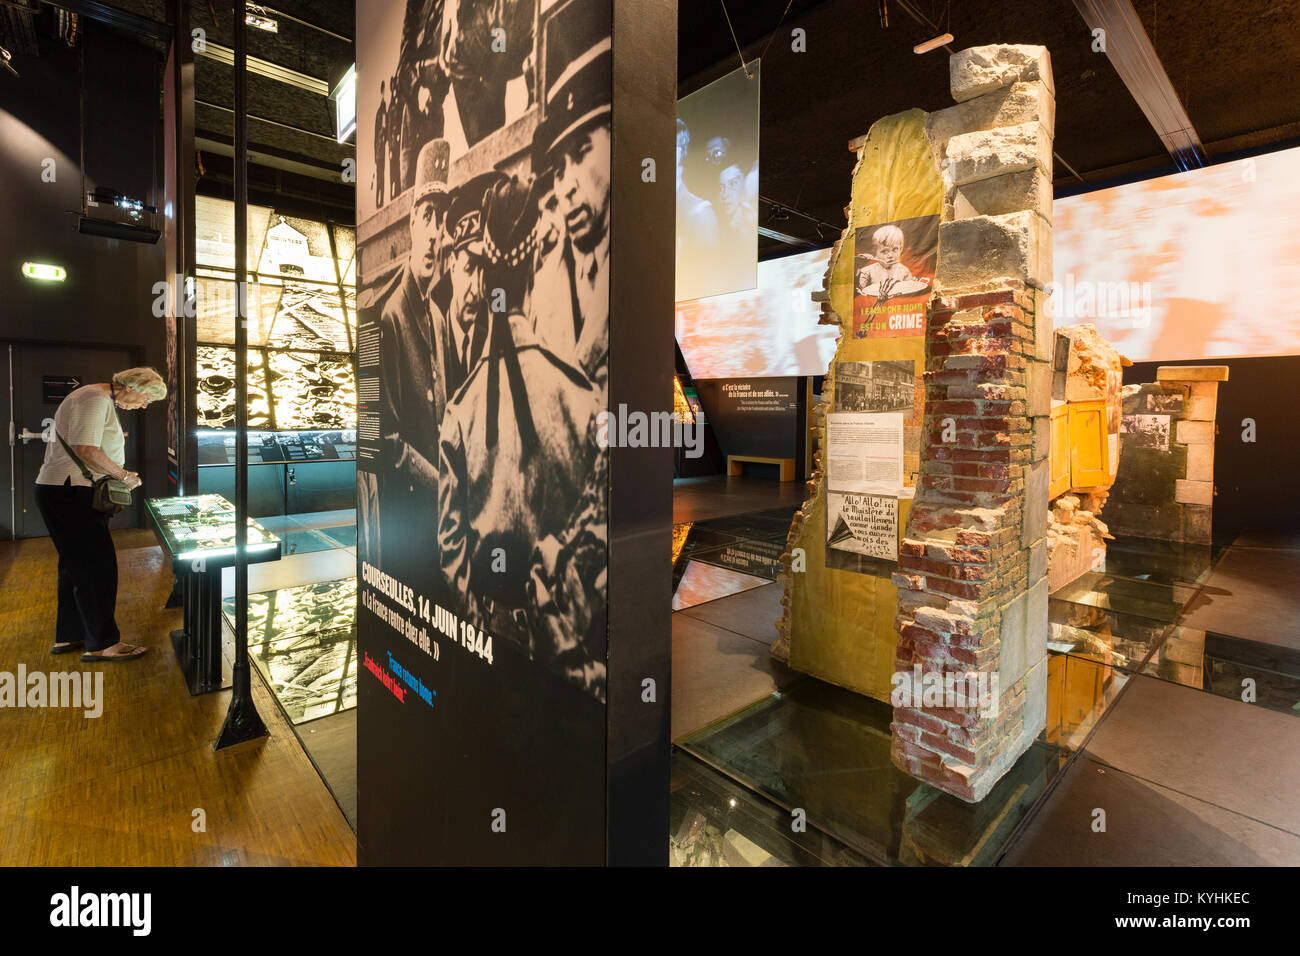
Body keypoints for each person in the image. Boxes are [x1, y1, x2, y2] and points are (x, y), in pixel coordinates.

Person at [34, 367, 166, 662]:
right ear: (132, 386)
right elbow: (87, 449)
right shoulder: (94, 398)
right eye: (146, 398)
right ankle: (103, 644)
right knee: (97, 569)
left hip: (65, 491)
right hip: (72, 492)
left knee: (75, 567)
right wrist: (124, 476)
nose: (144, 405)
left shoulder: (96, 397)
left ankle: (71, 634)